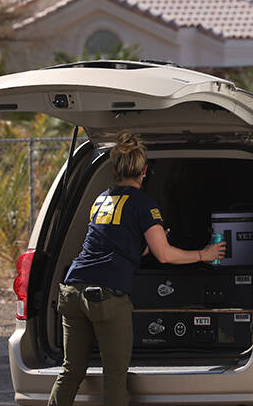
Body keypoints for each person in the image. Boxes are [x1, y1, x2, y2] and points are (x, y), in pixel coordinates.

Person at [48, 133, 225, 406]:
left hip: (73, 291)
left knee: (71, 371)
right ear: (144, 171)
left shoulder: (101, 200)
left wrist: (146, 242)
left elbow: (116, 244)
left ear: (115, 169)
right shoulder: (144, 204)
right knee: (115, 376)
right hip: (105, 297)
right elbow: (164, 255)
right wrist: (204, 254)